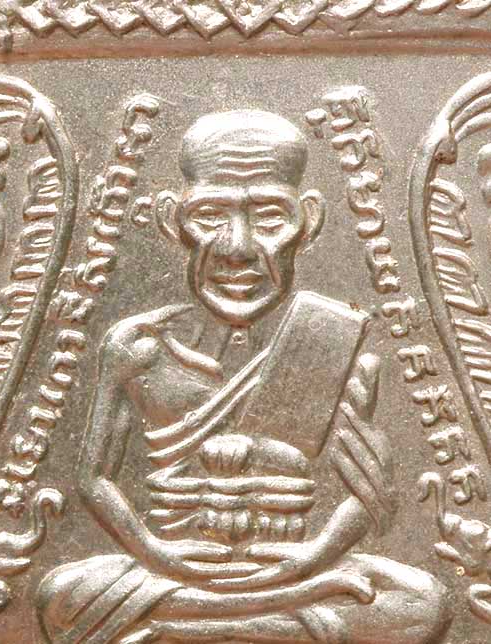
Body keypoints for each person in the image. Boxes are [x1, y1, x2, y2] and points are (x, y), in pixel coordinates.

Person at [37, 110, 451, 644]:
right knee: (60, 596)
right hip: (173, 567)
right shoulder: (139, 345)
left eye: (271, 218)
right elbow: (93, 479)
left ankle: (192, 629)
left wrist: (308, 560)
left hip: (289, 566)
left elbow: (373, 499)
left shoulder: (330, 340)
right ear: (171, 220)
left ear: (309, 220)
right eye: (209, 215)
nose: (237, 248)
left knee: (420, 603)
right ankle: (265, 625)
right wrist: (158, 554)